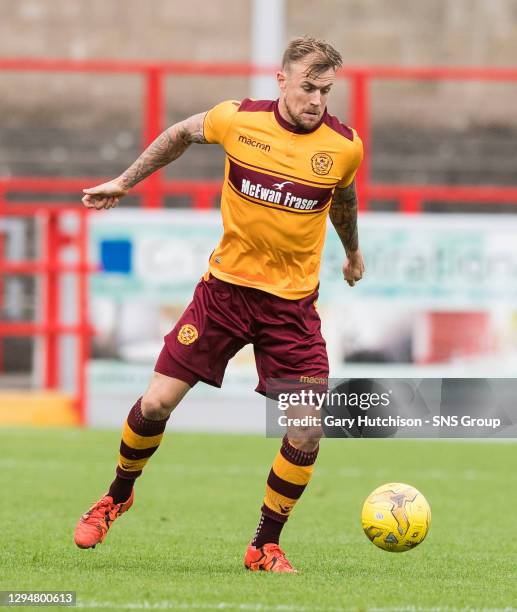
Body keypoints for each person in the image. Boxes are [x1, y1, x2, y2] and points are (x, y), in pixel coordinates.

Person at [74, 35, 365, 573]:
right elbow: (181, 134)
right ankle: (116, 495)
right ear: (282, 81)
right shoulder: (238, 120)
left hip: (291, 309)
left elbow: (342, 197)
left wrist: (352, 252)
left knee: (307, 427)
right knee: (158, 402)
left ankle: (263, 545)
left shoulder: (344, 145)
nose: (317, 100)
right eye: (307, 88)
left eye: (326, 90)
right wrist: (123, 181)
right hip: (224, 294)